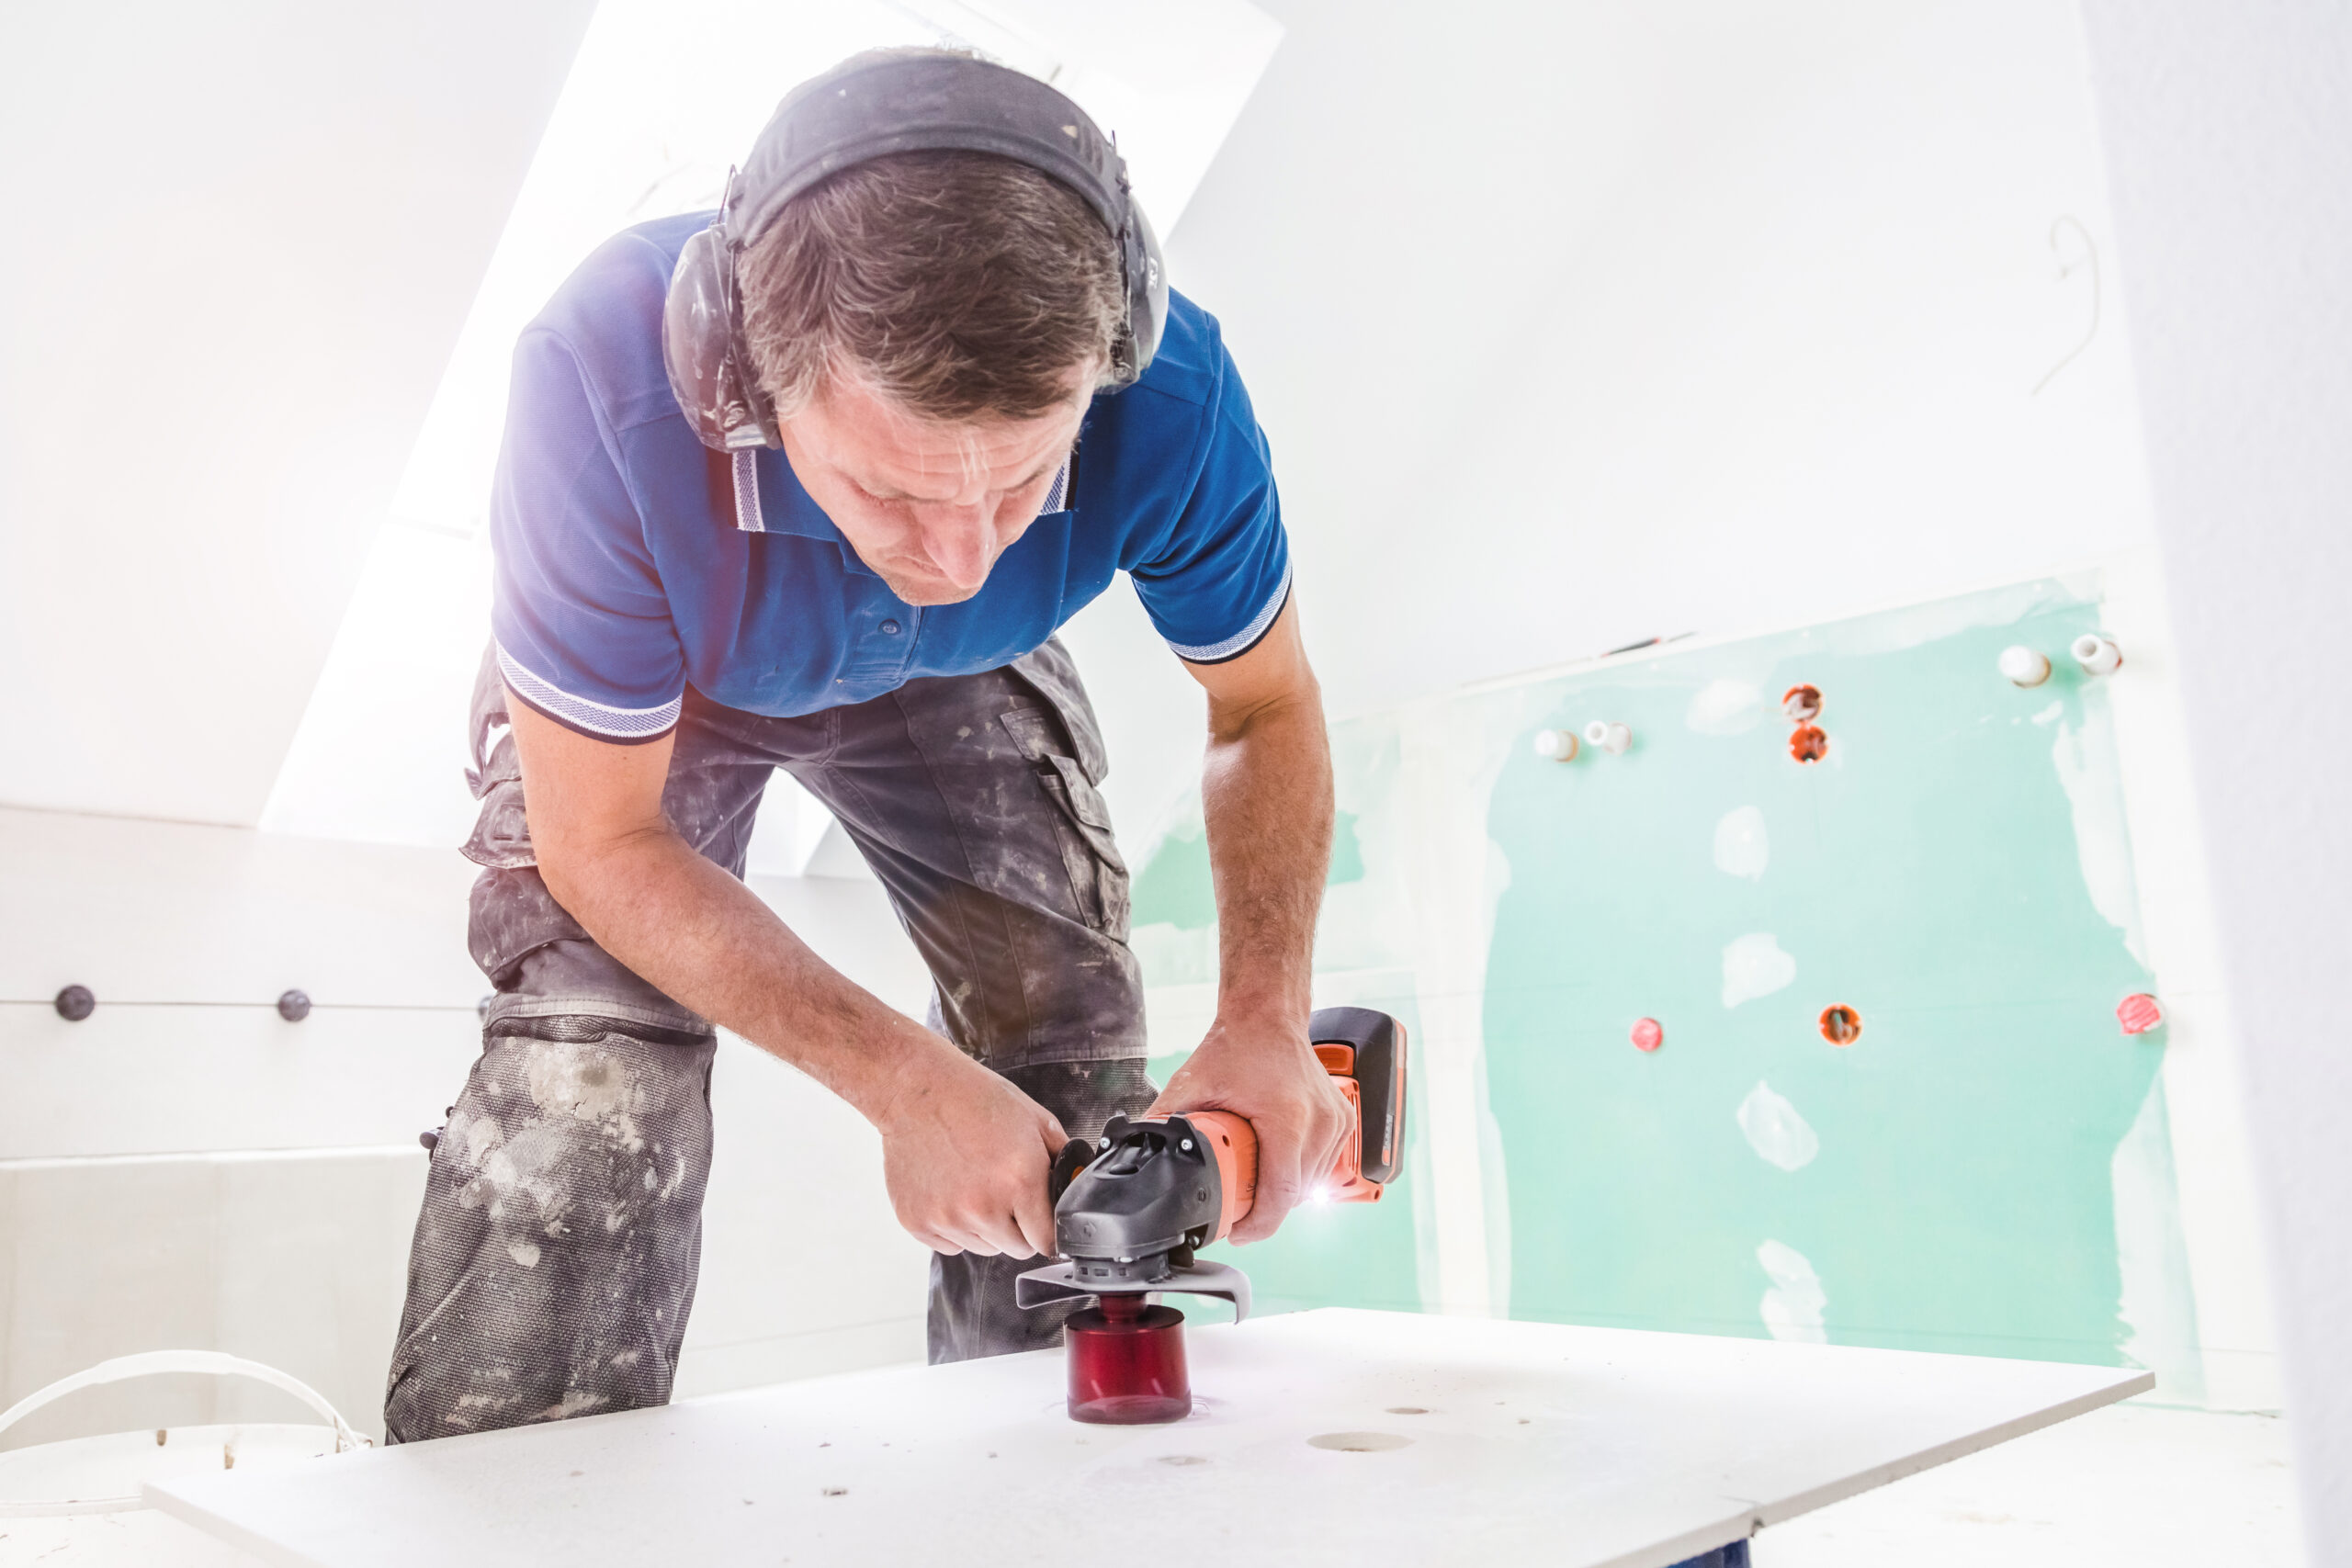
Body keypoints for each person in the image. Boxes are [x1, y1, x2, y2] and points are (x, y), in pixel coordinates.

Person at [381, 48, 1350, 1441]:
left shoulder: (1176, 398)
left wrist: (1264, 1016)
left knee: (1065, 1045)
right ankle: (517, 1501)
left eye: (1025, 483)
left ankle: (1055, 1477)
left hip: (963, 679)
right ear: (742, 378)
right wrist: (900, 1079)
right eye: (889, 491)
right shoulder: (602, 378)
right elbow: (605, 841)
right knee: (592, 1063)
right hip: (664, 669)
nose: (958, 560)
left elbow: (1262, 709)